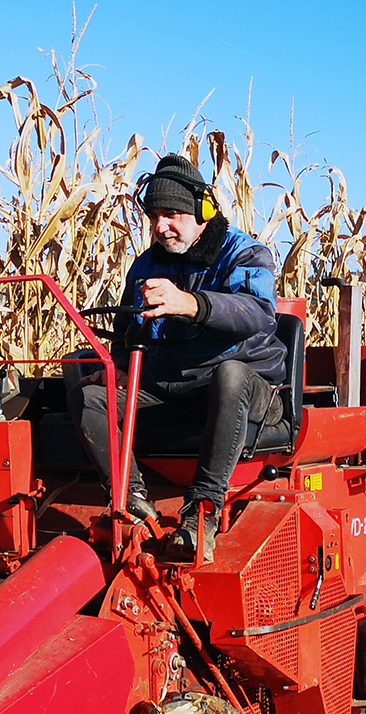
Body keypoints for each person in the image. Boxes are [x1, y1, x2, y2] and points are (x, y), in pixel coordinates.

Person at [68, 153, 286, 561]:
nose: (159, 226)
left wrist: (190, 303)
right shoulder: (147, 264)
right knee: (87, 389)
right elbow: (131, 331)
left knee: (231, 374)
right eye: (153, 216)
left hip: (250, 390)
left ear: (203, 211)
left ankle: (201, 514)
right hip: (172, 385)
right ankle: (131, 498)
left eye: (171, 214)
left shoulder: (246, 254)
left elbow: (258, 313)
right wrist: (113, 366)